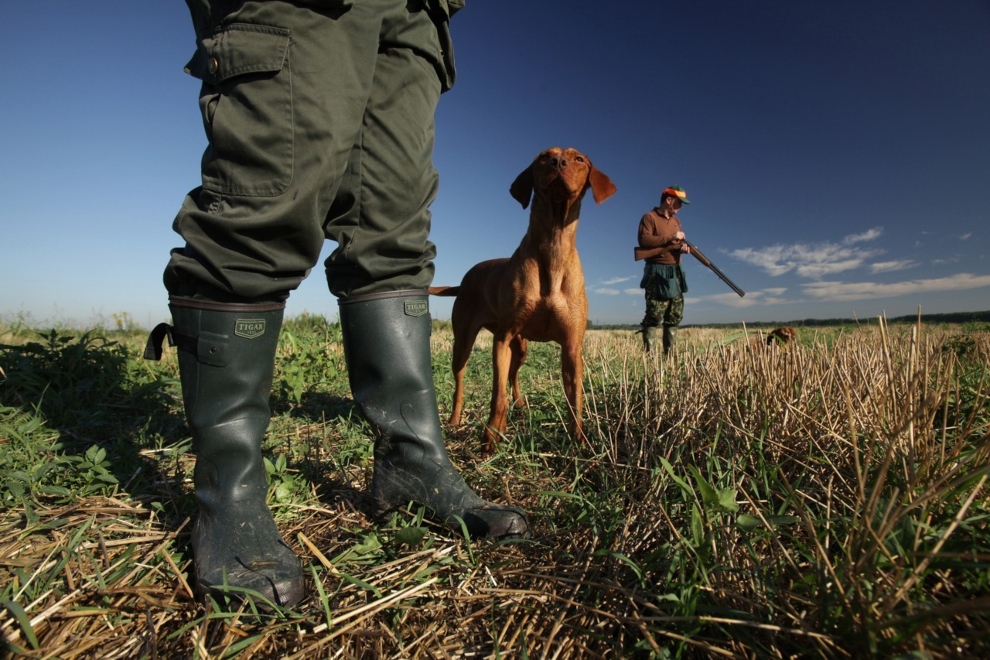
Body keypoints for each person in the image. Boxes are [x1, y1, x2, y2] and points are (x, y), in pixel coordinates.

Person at [144, 0, 530, 609]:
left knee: (394, 232)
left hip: (417, 11)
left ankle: (413, 463)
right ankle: (229, 492)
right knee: (263, 205)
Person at [636, 186, 691, 355]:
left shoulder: (676, 222)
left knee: (674, 314)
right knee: (654, 314)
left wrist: (683, 248)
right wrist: (671, 237)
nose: (680, 207)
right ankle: (649, 356)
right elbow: (644, 240)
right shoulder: (649, 217)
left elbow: (674, 245)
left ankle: (670, 356)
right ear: (668, 200)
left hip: (675, 272)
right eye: (679, 202)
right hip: (656, 272)